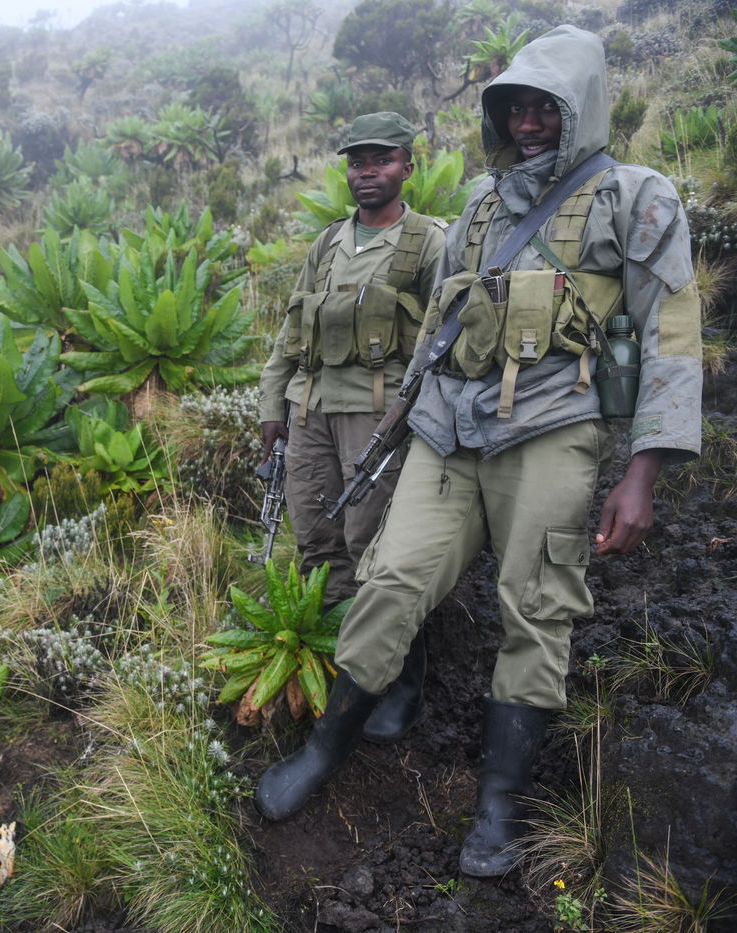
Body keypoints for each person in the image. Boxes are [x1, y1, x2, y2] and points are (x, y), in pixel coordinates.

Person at [254, 25, 702, 880]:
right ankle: (328, 744)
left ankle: (499, 804)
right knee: (390, 577)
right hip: (447, 429)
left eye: (547, 108)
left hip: (552, 429)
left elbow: (672, 332)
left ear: (581, 111)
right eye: (516, 108)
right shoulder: (483, 207)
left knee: (534, 603)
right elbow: (437, 329)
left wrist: (644, 469)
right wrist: (403, 423)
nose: (529, 123)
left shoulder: (634, 197)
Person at [257, 111, 445, 742]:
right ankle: (350, 675)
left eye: (382, 159)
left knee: (377, 551)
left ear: (407, 166)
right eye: (357, 161)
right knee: (318, 541)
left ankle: (403, 682)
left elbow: (443, 341)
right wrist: (271, 409)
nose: (368, 172)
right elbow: (291, 331)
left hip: (378, 417)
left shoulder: (427, 242)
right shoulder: (329, 243)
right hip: (310, 411)